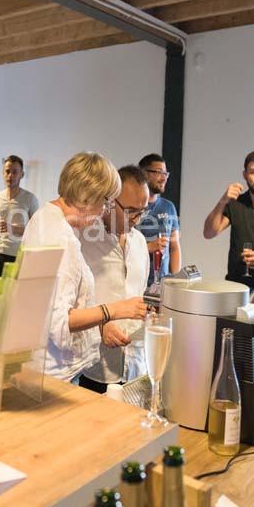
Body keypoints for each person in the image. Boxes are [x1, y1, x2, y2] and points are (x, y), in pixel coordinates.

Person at [21, 152, 147, 382]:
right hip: (52, 374)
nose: (104, 210)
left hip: (45, 368)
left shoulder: (46, 219)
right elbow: (58, 324)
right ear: (88, 196)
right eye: (105, 201)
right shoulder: (59, 236)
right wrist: (114, 310)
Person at [79, 165, 150, 393]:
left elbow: (140, 294)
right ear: (109, 201)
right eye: (130, 211)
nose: (137, 219)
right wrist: (101, 325)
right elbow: (70, 305)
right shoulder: (84, 241)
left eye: (143, 210)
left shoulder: (139, 243)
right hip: (97, 367)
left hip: (136, 366)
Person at [203, 150, 254, 291]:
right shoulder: (236, 203)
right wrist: (222, 201)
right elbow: (209, 233)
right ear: (244, 175)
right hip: (235, 285)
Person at [0, 155, 39, 280]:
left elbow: (36, 231)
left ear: (22, 174)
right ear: (3, 173)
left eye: (15, 172)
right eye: (7, 171)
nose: (10, 176)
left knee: (17, 299)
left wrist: (13, 229)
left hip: (20, 258)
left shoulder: (30, 198)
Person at [136, 153, 181, 285]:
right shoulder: (131, 206)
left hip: (163, 285)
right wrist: (147, 247)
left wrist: (176, 280)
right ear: (143, 173)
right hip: (138, 284)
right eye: (159, 172)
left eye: (166, 173)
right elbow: (122, 247)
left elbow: (174, 247)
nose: (164, 178)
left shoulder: (169, 207)